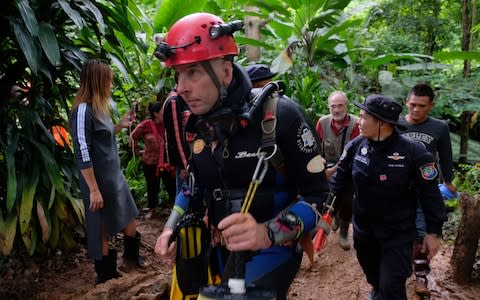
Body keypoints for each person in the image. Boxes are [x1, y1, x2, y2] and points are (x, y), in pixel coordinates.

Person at [153, 12, 329, 299]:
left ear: (225, 72)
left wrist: (267, 232)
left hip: (273, 250)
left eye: (193, 72)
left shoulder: (280, 116)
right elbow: (192, 186)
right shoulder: (200, 126)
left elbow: (319, 196)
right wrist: (171, 228)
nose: (180, 87)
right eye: (178, 74)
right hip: (220, 252)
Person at [332, 95, 446, 300]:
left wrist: (434, 232)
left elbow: (431, 195)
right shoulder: (356, 146)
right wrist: (322, 211)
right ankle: (377, 290)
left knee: (392, 286)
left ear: (382, 123)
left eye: (363, 117)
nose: (359, 121)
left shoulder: (414, 152)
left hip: (398, 233)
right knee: (374, 277)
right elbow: (338, 182)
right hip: (364, 230)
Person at [70, 59, 148, 285]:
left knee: (129, 215)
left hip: (113, 176)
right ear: (98, 81)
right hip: (97, 181)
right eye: (108, 81)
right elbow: (83, 150)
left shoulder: (99, 108)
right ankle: (106, 274)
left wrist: (119, 126)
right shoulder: (82, 110)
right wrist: (93, 189)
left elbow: (102, 137)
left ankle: (131, 257)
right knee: (100, 226)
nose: (111, 85)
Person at [398, 83, 458, 296]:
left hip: (425, 189)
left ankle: (421, 276)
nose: (416, 110)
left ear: (431, 105)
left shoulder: (439, 127)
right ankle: (399, 270)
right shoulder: (395, 123)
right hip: (398, 189)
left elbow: (446, 157)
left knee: (421, 233)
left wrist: (449, 181)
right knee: (399, 230)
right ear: (406, 102)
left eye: (422, 106)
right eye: (413, 105)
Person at [315, 91, 359, 250]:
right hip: (328, 165)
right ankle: (334, 216)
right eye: (333, 106)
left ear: (346, 106)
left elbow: (354, 154)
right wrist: (320, 161)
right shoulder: (322, 123)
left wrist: (333, 171)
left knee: (347, 196)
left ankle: (344, 231)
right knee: (328, 195)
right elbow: (316, 148)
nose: (337, 110)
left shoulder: (356, 124)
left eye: (340, 106)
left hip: (349, 167)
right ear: (329, 107)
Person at [130, 101, 176, 219]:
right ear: (155, 113)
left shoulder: (168, 124)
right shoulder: (146, 125)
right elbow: (133, 137)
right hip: (150, 163)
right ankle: (152, 210)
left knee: (171, 186)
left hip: (167, 162)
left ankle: (175, 211)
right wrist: (137, 151)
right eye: (162, 111)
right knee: (152, 187)